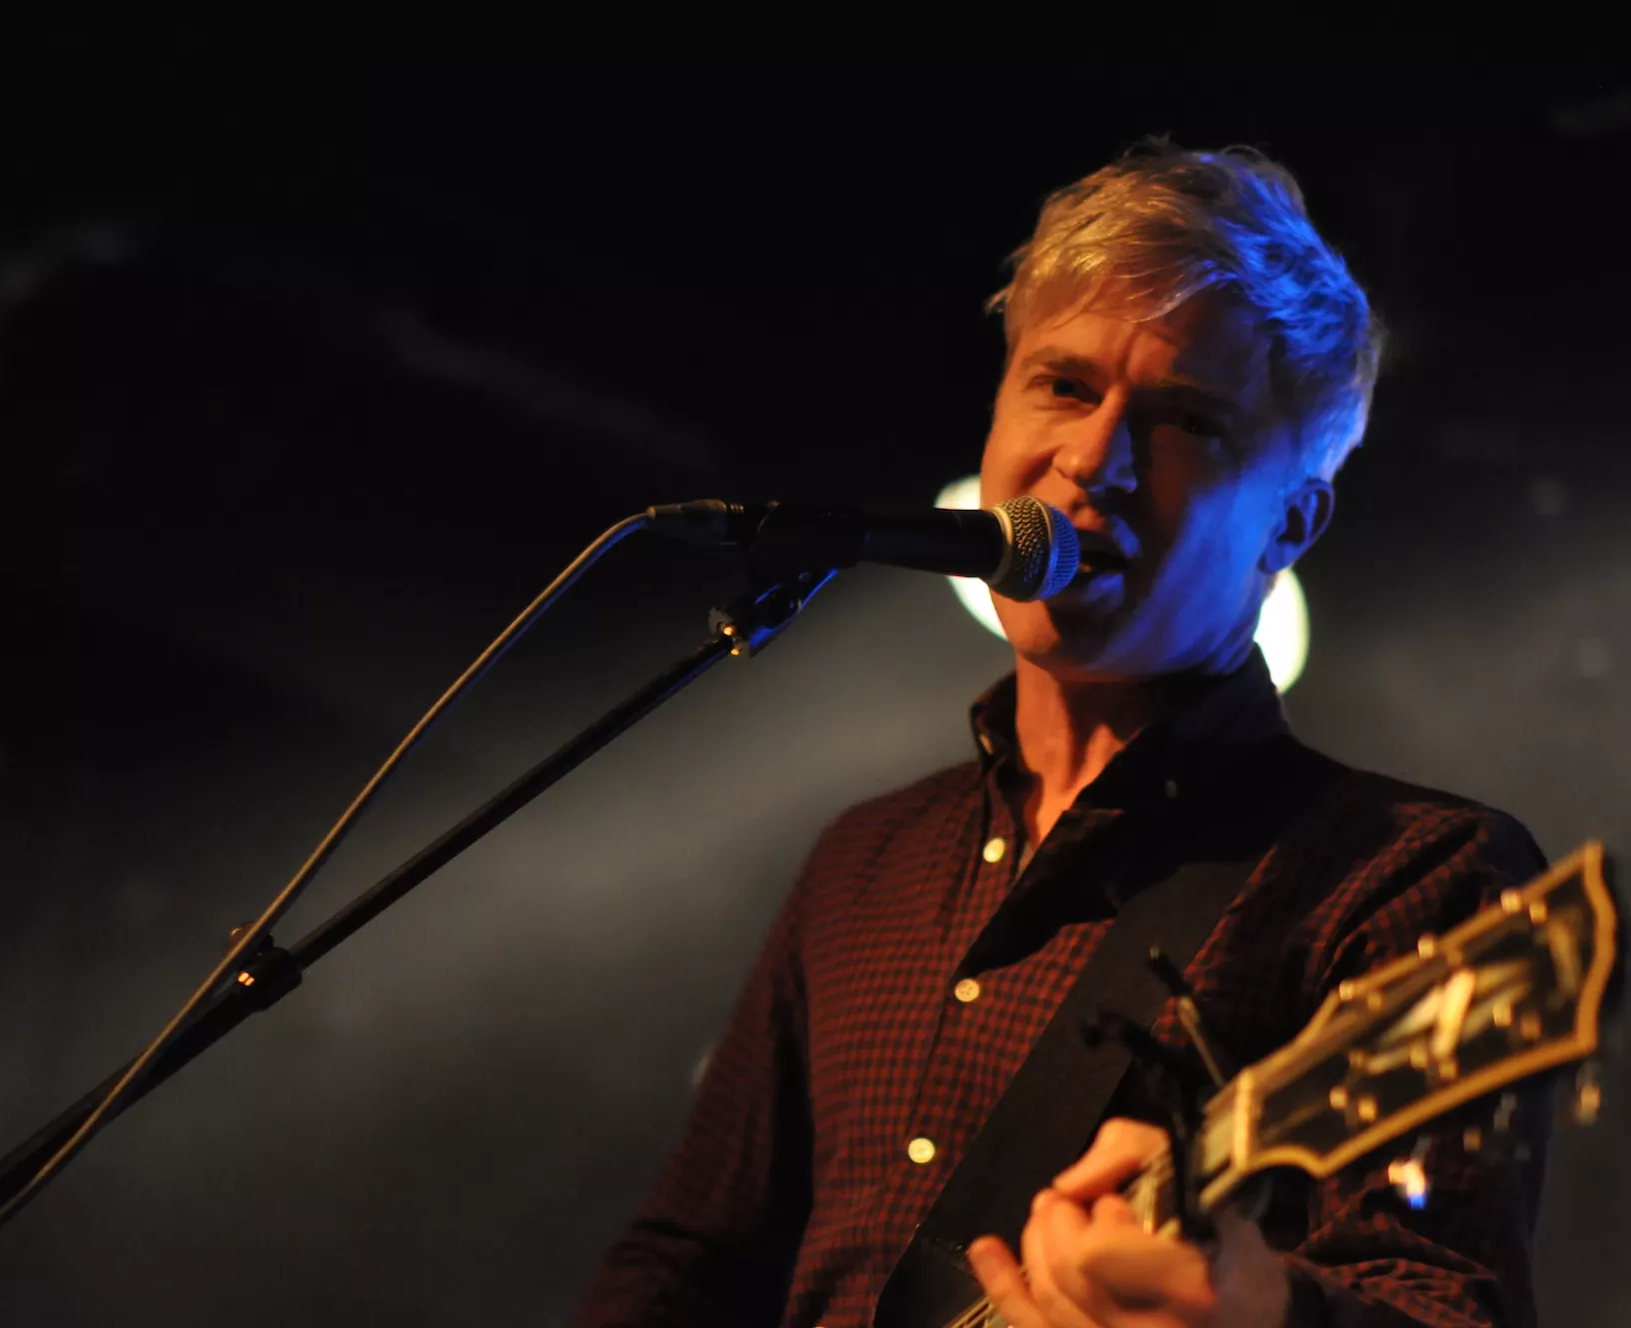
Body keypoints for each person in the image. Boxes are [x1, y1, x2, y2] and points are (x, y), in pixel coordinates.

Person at [568, 142, 1547, 1328]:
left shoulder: (1407, 875)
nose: (1091, 458)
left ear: (1291, 521)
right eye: (1064, 386)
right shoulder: (865, 860)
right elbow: (686, 1261)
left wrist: (1263, 1314)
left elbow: (1443, 1300)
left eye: (1184, 419)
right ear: (996, 419)